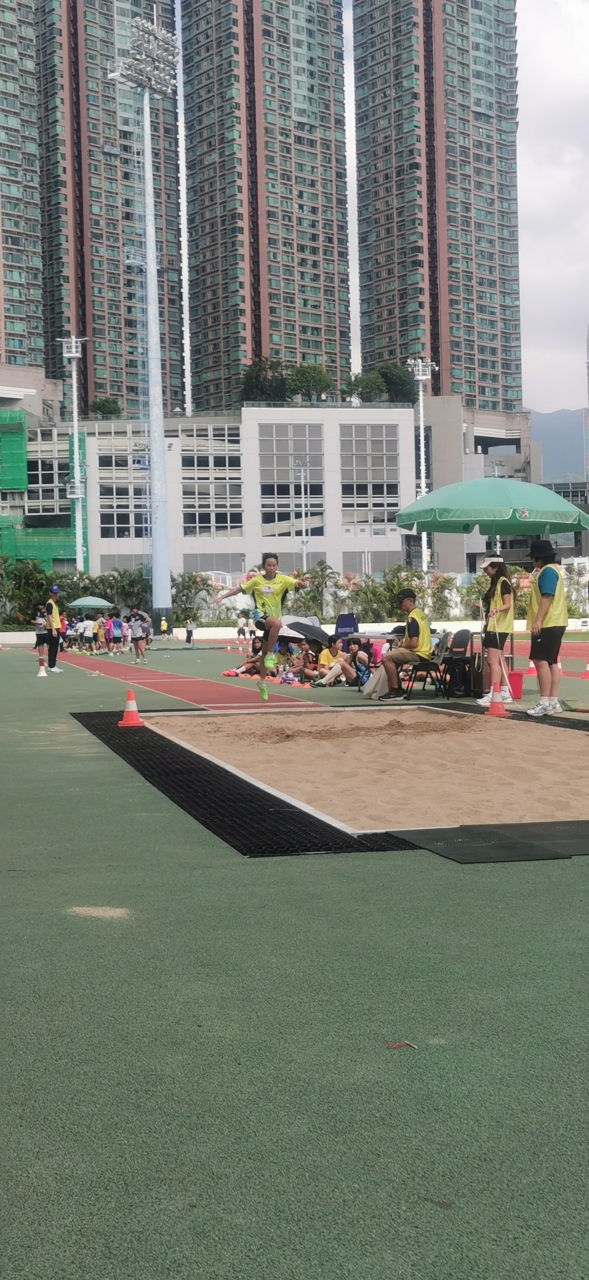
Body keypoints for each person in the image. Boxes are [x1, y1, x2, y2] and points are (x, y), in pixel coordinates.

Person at [213, 553, 308, 701]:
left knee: (263, 653)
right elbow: (238, 589)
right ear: (264, 566)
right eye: (269, 565)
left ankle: (262, 683)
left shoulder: (283, 580)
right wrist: (221, 597)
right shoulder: (257, 581)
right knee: (277, 625)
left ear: (277, 566)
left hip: (273, 621)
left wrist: (302, 584)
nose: (271, 568)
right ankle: (271, 655)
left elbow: (300, 585)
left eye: (274, 565)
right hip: (260, 617)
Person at [526, 539, 568, 717]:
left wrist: (537, 621)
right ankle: (552, 701)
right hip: (556, 622)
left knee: (540, 661)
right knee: (551, 662)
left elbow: (547, 596)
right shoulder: (553, 570)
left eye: (533, 558)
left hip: (548, 623)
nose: (532, 561)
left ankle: (544, 702)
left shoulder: (547, 572)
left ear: (539, 558)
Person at [476, 557, 516, 707]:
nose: (485, 571)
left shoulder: (503, 583)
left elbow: (507, 604)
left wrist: (496, 610)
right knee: (499, 659)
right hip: (495, 626)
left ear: (496, 567)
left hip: (498, 627)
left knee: (492, 661)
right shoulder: (496, 583)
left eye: (487, 568)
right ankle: (504, 692)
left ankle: (495, 693)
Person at [379, 590, 432, 700]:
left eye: (401, 602)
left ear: (410, 601)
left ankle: (395, 691)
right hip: (425, 652)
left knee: (386, 658)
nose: (399, 605)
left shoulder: (412, 618)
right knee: (393, 660)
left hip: (418, 652)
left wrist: (401, 647)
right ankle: (398, 689)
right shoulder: (420, 614)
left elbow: (413, 643)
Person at [45, 585, 63, 672]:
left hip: (56, 627)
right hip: (53, 628)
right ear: (50, 593)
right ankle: (51, 666)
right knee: (52, 647)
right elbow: (49, 617)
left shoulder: (55, 603)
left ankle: (53, 665)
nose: (56, 595)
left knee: (55, 647)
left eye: (57, 593)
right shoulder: (49, 603)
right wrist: (53, 629)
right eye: (54, 593)